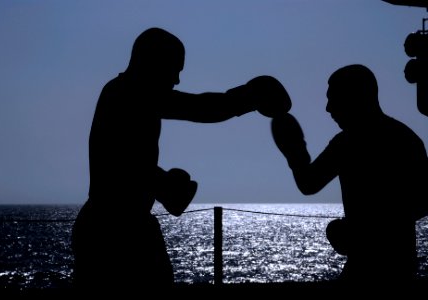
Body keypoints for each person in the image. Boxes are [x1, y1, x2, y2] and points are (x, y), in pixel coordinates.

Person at [71, 27, 290, 292]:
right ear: (153, 62)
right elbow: (200, 108)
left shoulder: (124, 93)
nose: (176, 80)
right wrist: (249, 95)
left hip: (116, 226)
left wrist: (164, 184)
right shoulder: (129, 93)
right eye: (173, 69)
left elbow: (126, 162)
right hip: (114, 232)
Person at [271, 64, 428, 284]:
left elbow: (309, 183)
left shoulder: (346, 143)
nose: (328, 108)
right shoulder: (406, 138)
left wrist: (294, 151)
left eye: (334, 98)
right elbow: (423, 200)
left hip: (369, 267)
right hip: (399, 265)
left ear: (355, 97)